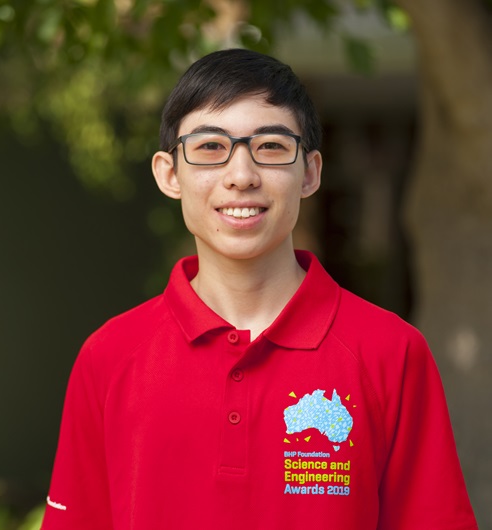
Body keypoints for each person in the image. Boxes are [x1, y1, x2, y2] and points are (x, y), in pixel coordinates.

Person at [41, 48, 477, 530]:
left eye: (270, 146)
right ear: (170, 174)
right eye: (210, 148)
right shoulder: (108, 357)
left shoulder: (391, 353)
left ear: (309, 172)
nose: (241, 176)